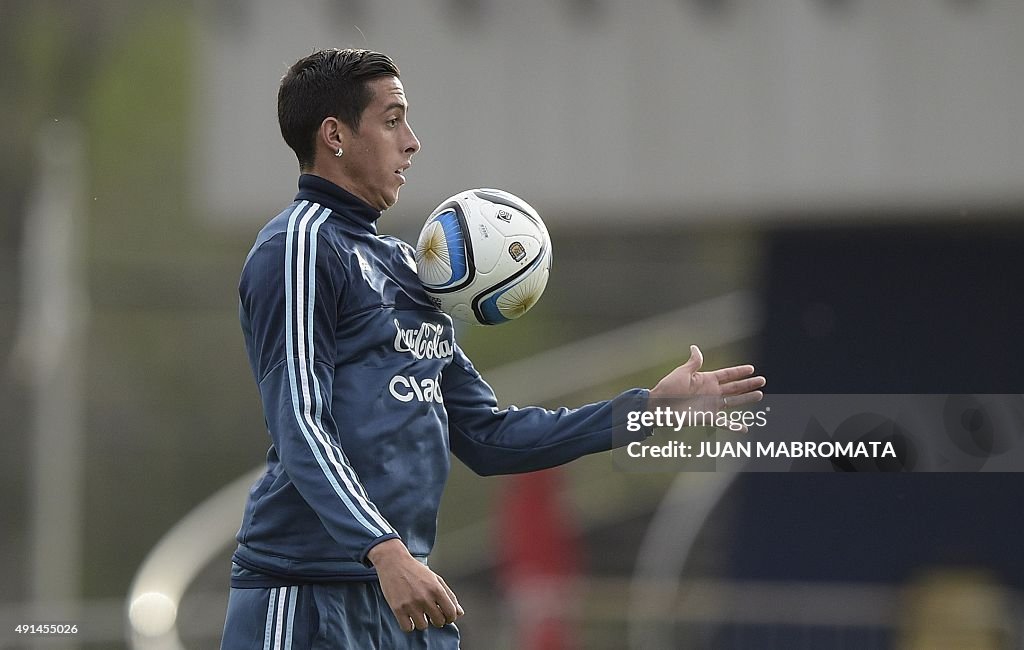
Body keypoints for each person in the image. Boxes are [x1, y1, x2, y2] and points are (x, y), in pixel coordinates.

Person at [219, 48, 765, 650]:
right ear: (335, 136)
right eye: (393, 119)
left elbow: (487, 435)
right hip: (305, 595)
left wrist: (644, 411)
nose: (413, 142)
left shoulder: (407, 268)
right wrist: (383, 548)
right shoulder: (297, 249)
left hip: (401, 591)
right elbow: (300, 420)